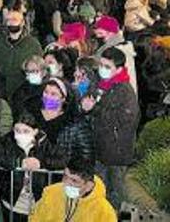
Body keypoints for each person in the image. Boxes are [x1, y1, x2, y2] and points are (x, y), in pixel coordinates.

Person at [82, 46, 139, 210]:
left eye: (107, 67)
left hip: (116, 153)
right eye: (101, 65)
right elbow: (88, 105)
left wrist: (95, 109)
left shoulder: (125, 91)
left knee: (115, 194)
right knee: (98, 190)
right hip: (98, 149)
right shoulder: (98, 84)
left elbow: (124, 120)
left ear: (119, 69)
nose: (102, 69)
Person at [0, 111, 65, 219]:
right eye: (17, 130)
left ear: (35, 131)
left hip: (37, 202)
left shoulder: (46, 143)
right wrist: (18, 162)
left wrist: (41, 163)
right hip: (12, 201)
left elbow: (62, 160)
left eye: (26, 131)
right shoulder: (7, 141)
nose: (20, 134)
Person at [30, 155, 117, 222]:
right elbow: (34, 219)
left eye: (74, 181)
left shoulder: (104, 211)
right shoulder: (50, 193)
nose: (67, 183)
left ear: (89, 185)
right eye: (65, 176)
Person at [0, 11, 42, 100]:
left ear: (22, 22)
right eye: (8, 20)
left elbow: (39, 67)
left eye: (14, 19)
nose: (11, 22)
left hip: (23, 90)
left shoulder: (33, 44)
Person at [92, 15, 137, 94]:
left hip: (120, 92)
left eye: (100, 29)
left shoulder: (116, 49)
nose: (96, 30)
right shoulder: (115, 45)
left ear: (109, 31)